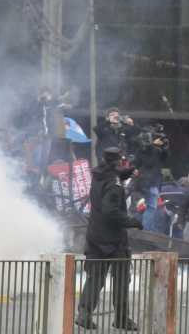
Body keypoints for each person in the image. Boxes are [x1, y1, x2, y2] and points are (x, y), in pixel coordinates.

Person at [75, 147, 142, 331]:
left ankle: (84, 313)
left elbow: (116, 173)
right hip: (113, 240)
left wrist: (130, 171)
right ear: (118, 161)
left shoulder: (99, 175)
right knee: (121, 279)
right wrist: (131, 222)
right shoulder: (114, 183)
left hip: (95, 236)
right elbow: (110, 211)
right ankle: (121, 319)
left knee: (95, 278)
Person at [133, 126, 169, 232]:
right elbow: (151, 161)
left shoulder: (145, 150)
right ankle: (146, 230)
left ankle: (145, 228)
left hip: (146, 182)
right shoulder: (150, 150)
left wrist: (164, 147)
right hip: (149, 183)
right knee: (151, 207)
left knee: (147, 207)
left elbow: (164, 157)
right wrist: (155, 146)